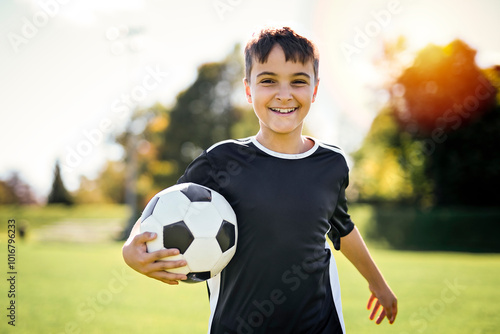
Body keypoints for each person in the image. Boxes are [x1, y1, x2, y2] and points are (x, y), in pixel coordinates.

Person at [122, 26, 397, 333]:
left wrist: (378, 283)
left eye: (298, 81)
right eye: (268, 81)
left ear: (315, 89)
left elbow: (342, 227)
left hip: (318, 324)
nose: (284, 94)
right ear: (249, 89)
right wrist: (131, 246)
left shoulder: (331, 163)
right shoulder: (221, 161)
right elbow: (164, 207)